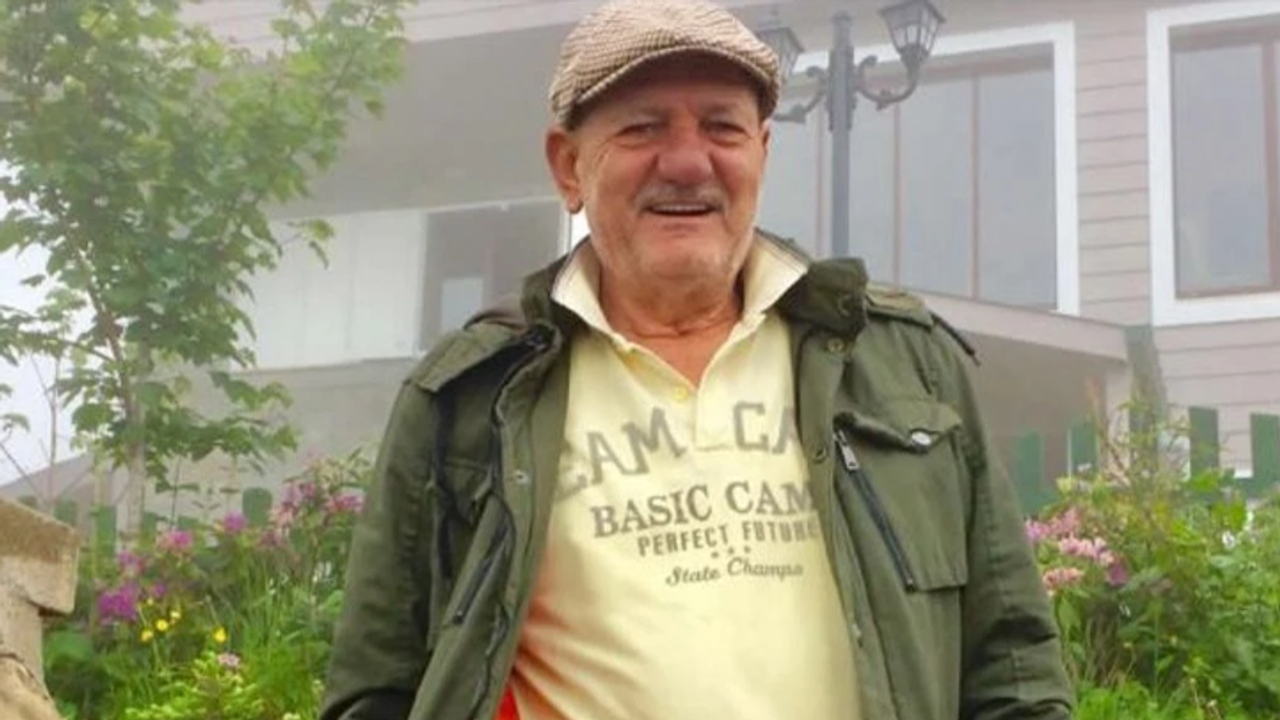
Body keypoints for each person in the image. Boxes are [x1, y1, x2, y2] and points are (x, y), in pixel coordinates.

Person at [318, 0, 1075, 718]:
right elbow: (377, 690)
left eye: (722, 127)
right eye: (643, 128)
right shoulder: (469, 396)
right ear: (568, 165)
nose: (687, 162)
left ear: (762, 152)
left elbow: (1013, 668)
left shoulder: (907, 365)